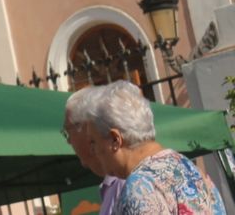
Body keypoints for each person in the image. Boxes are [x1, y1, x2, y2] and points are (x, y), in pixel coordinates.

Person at [68, 81, 226, 215]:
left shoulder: (140, 188)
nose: (93, 151)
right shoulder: (191, 169)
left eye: (93, 142)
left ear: (115, 140)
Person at [64, 85, 125, 215]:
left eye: (68, 131)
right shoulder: (113, 184)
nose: (68, 141)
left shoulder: (125, 182)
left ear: (88, 128)